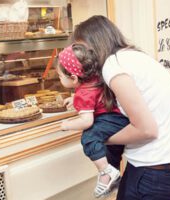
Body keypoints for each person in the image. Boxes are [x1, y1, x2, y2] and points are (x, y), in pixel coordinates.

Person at [72, 15, 170, 200]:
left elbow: (147, 130)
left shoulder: (113, 65)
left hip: (151, 176)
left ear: (92, 46)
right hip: (166, 173)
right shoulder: (134, 57)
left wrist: (99, 139)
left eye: (80, 50)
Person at [57, 43, 130, 198]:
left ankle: (107, 172)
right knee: (111, 151)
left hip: (109, 120)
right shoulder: (94, 79)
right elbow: (93, 97)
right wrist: (74, 98)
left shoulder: (83, 93)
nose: (59, 79)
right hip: (120, 118)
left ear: (73, 78)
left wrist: (67, 125)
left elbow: (86, 121)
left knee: (89, 137)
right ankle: (112, 176)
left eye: (60, 76)